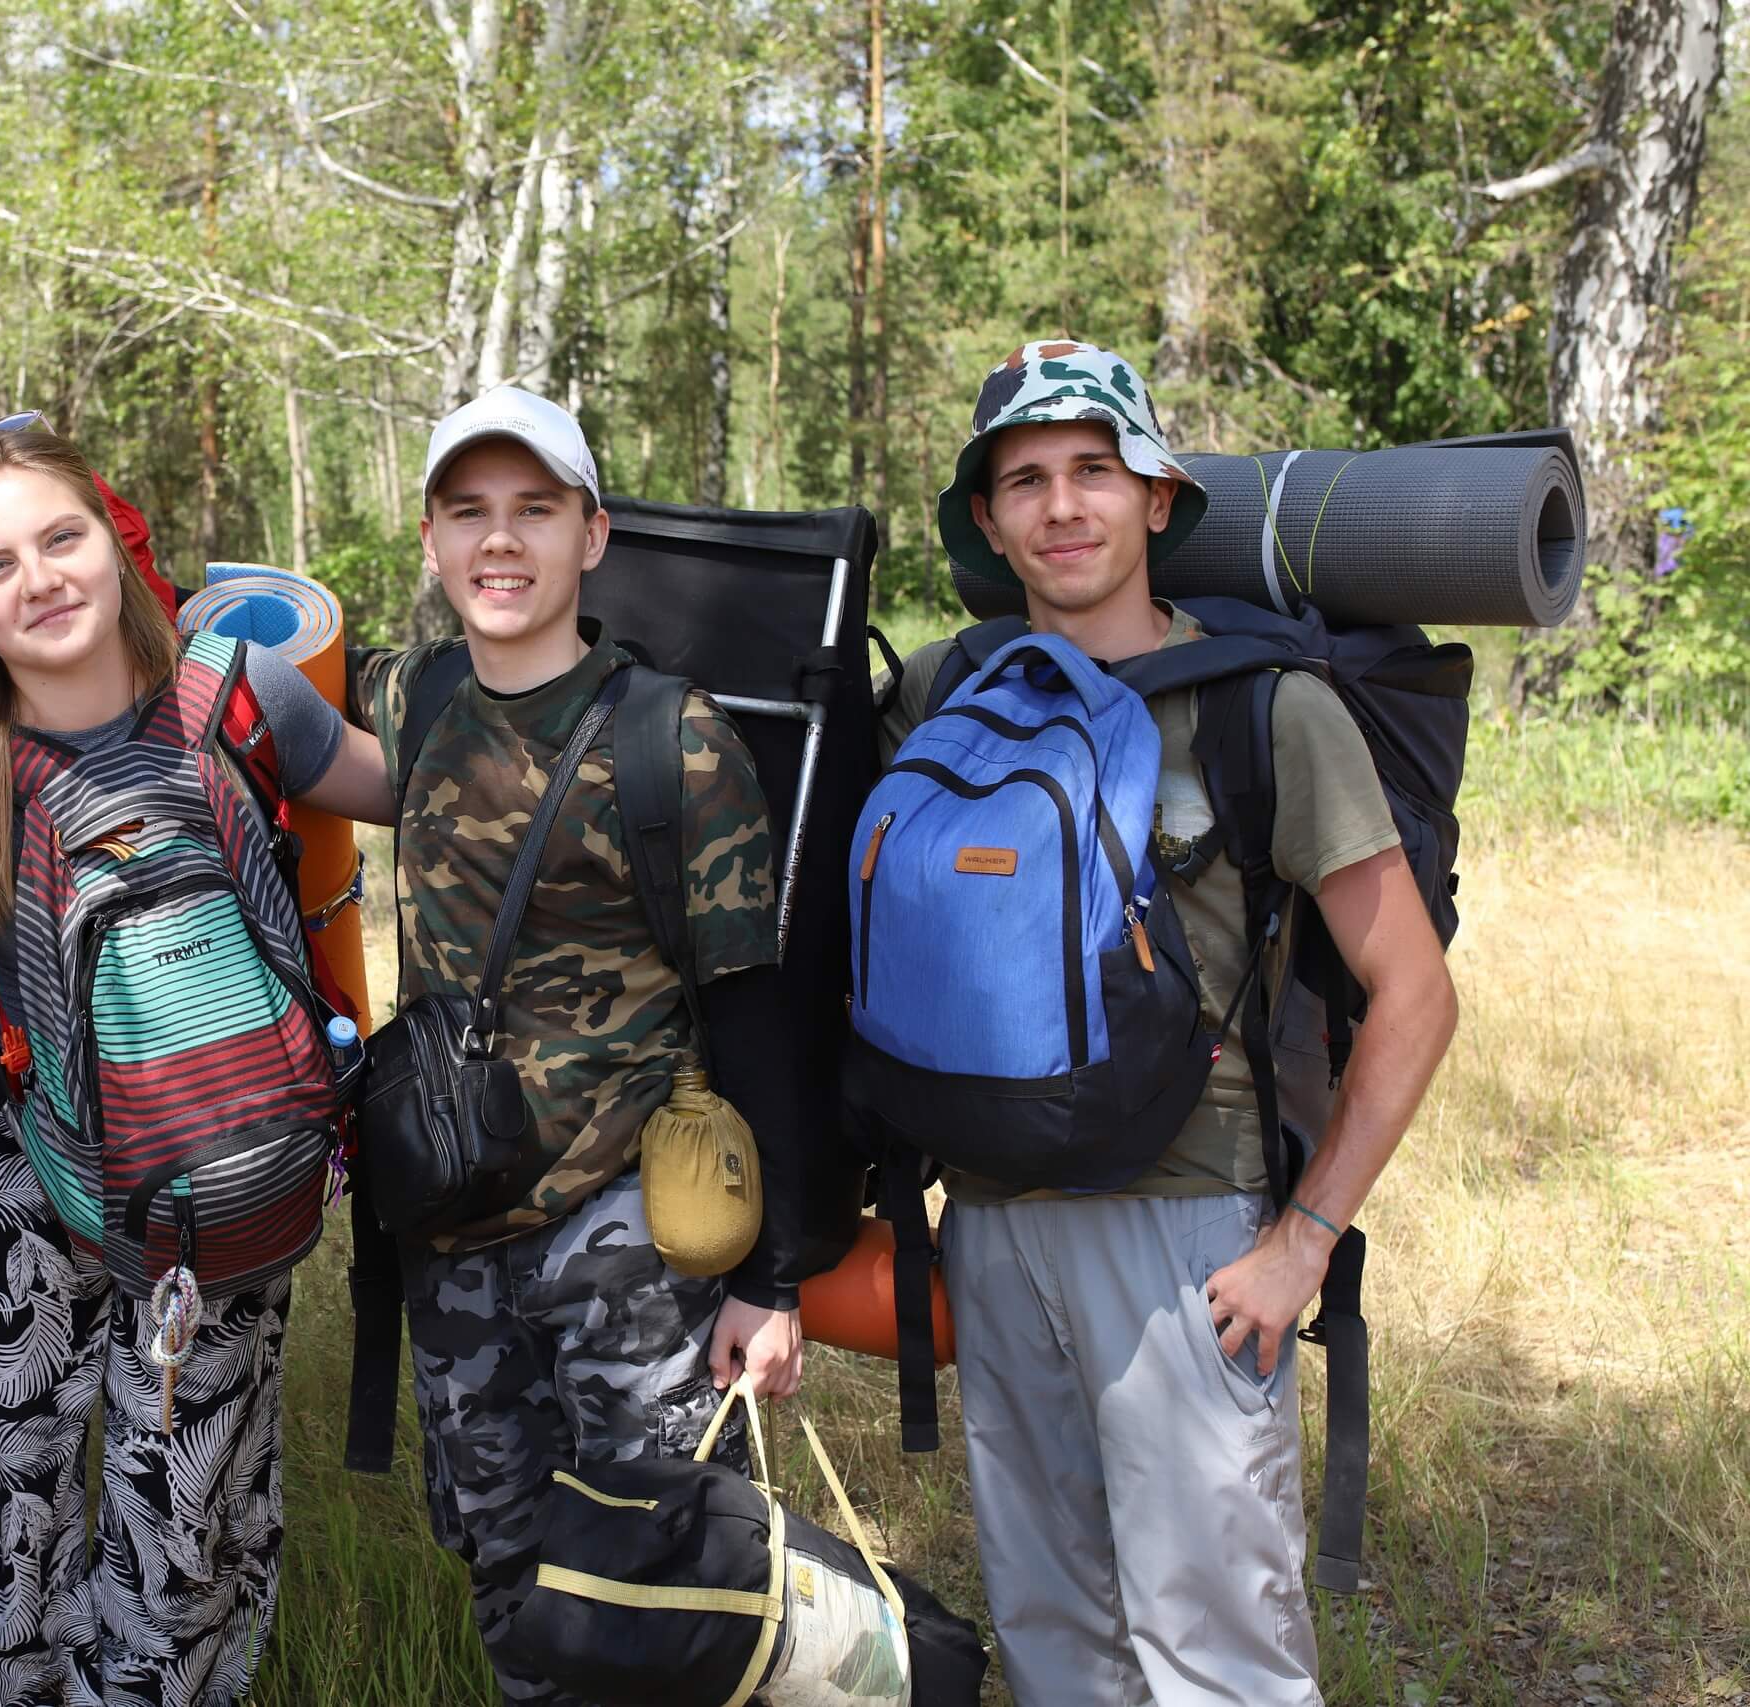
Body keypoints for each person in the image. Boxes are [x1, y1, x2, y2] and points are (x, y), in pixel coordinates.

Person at [885, 341, 1460, 1703]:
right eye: (1024, 479)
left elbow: (1417, 992)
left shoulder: (1264, 707)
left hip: (1192, 1233)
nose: (1062, 505)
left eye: (1095, 469)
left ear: (1157, 495)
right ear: (986, 522)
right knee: (1052, 1638)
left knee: (1217, 1654)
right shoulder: (940, 695)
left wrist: (1301, 1241)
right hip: (992, 1223)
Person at [0, 422, 392, 1706]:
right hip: (9, 1173)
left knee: (183, 1516)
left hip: (220, 1158)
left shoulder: (242, 691)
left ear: (115, 543)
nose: (38, 579)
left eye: (61, 537)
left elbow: (414, 791)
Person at [346, 385, 811, 1705]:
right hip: (454, 1234)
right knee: (512, 1582)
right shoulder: (418, 697)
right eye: (469, 513)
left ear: (592, 535)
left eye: (535, 511)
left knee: (667, 1583)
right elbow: (284, 711)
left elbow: (754, 1010)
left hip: (630, 1244)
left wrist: (771, 1279)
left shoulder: (673, 737)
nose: (500, 541)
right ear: (432, 540)